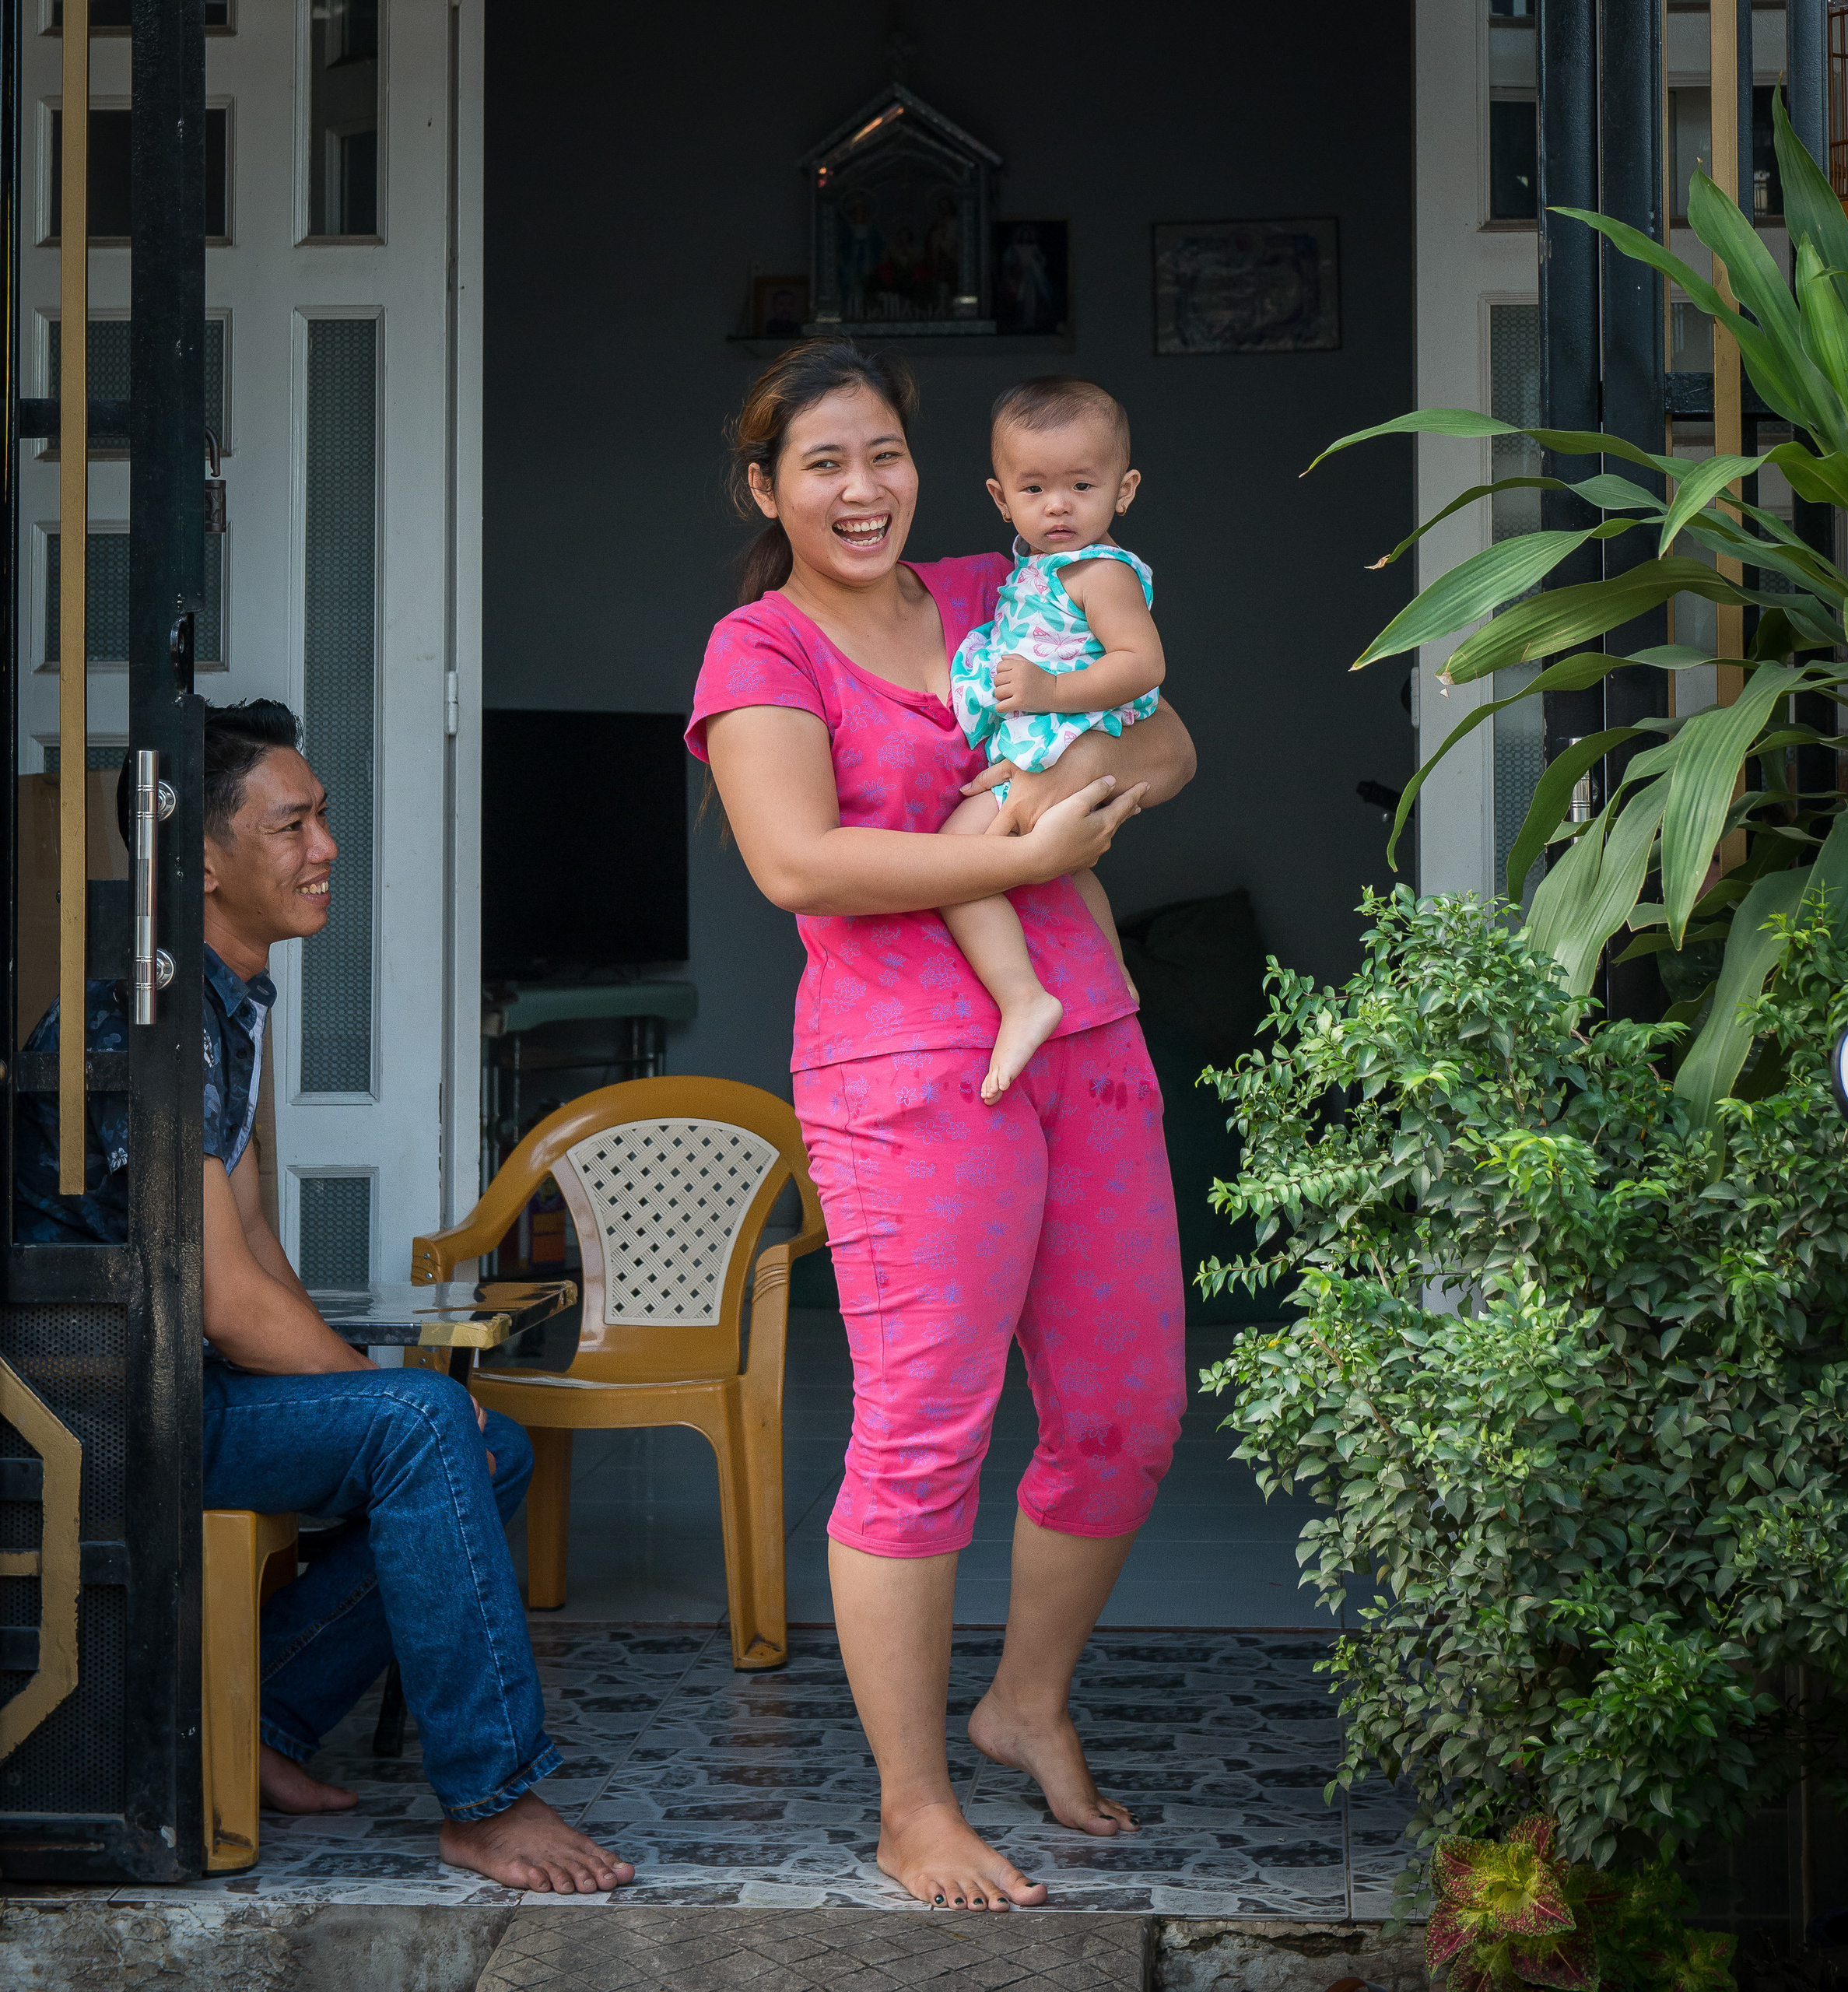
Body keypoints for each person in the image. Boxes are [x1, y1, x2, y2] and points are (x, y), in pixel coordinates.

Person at [690, 340, 1196, 1913]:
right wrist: (1026, 847)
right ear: (766, 489)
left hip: (1086, 1031)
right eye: (824, 462)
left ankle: (1022, 1696)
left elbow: (1168, 742)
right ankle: (914, 1804)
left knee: (1128, 1404)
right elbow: (801, 866)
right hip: (911, 1065)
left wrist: (1052, 806)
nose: (863, 488)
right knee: (922, 1436)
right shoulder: (759, 648)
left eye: (884, 452)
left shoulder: (1005, 580)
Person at [13, 701, 633, 1896]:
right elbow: (230, 1305)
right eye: (293, 822)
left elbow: (250, 1251)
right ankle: (490, 1801)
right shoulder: (143, 1022)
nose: (326, 846)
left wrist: (385, 1406)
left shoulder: (220, 1009)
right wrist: (391, 1408)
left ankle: (267, 1722)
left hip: (174, 1388)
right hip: (93, 1411)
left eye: (323, 817)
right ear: (200, 860)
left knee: (488, 1444)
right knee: (428, 1426)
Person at [941, 376, 1162, 1103]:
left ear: (1123, 491)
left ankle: (1023, 998)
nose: (1058, 504)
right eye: (1033, 488)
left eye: (1081, 484)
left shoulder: (1102, 573)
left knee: (955, 868)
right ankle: (1114, 974)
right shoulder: (1030, 571)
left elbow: (1143, 665)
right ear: (1001, 499)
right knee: (1070, 873)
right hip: (1046, 742)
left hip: (1066, 740)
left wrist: (1048, 693)